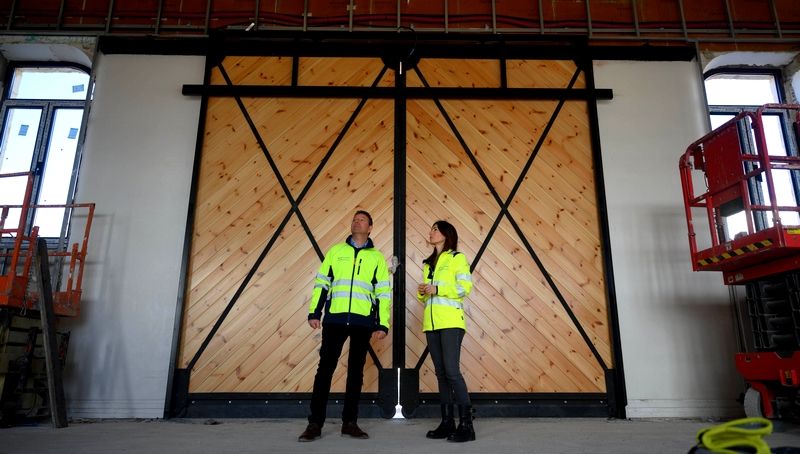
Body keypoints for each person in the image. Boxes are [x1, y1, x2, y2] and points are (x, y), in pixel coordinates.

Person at [298, 210, 391, 442]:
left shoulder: (377, 258)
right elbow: (322, 283)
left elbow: (382, 293)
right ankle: (314, 424)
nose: (356, 222)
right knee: (324, 370)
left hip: (362, 322)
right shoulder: (336, 252)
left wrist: (382, 323)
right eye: (354, 219)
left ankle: (350, 423)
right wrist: (314, 312)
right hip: (335, 319)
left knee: (355, 373)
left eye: (362, 220)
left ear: (370, 228)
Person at [417, 220, 475, 443]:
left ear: (446, 234)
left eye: (435, 229)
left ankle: (467, 425)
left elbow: (464, 287)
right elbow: (426, 296)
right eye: (430, 228)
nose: (431, 232)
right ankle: (447, 422)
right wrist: (423, 291)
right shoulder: (428, 263)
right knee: (441, 374)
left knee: (452, 372)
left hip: (451, 322)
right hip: (431, 324)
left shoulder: (456, 258)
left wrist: (438, 288)